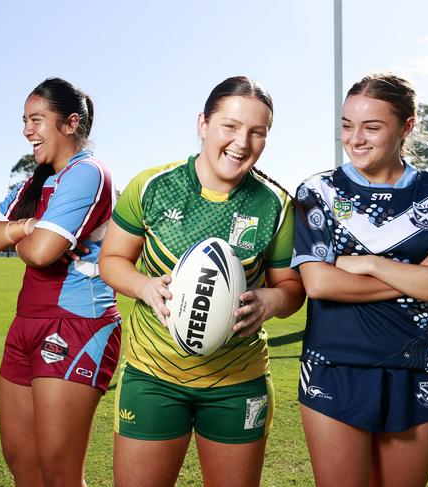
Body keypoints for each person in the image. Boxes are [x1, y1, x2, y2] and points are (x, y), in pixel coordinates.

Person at [99, 76, 305, 487]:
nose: (242, 142)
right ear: (203, 124)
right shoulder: (152, 186)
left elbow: (292, 289)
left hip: (237, 382)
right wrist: (144, 286)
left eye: (257, 132)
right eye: (230, 126)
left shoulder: (277, 205)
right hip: (153, 376)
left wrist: (271, 301)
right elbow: (112, 259)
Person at [292, 72, 428, 487]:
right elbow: (320, 284)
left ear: (407, 126)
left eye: (372, 127)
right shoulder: (319, 191)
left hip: (416, 371)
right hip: (335, 368)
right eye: (347, 126)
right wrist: (421, 276)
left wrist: (370, 264)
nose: (356, 139)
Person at [0, 77, 120, 487]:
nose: (26, 130)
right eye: (24, 120)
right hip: (26, 324)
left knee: (59, 472)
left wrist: (20, 235)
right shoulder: (33, 183)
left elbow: (41, 253)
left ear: (70, 123)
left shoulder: (89, 172)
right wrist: (26, 228)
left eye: (36, 119)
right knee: (22, 462)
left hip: (78, 325)